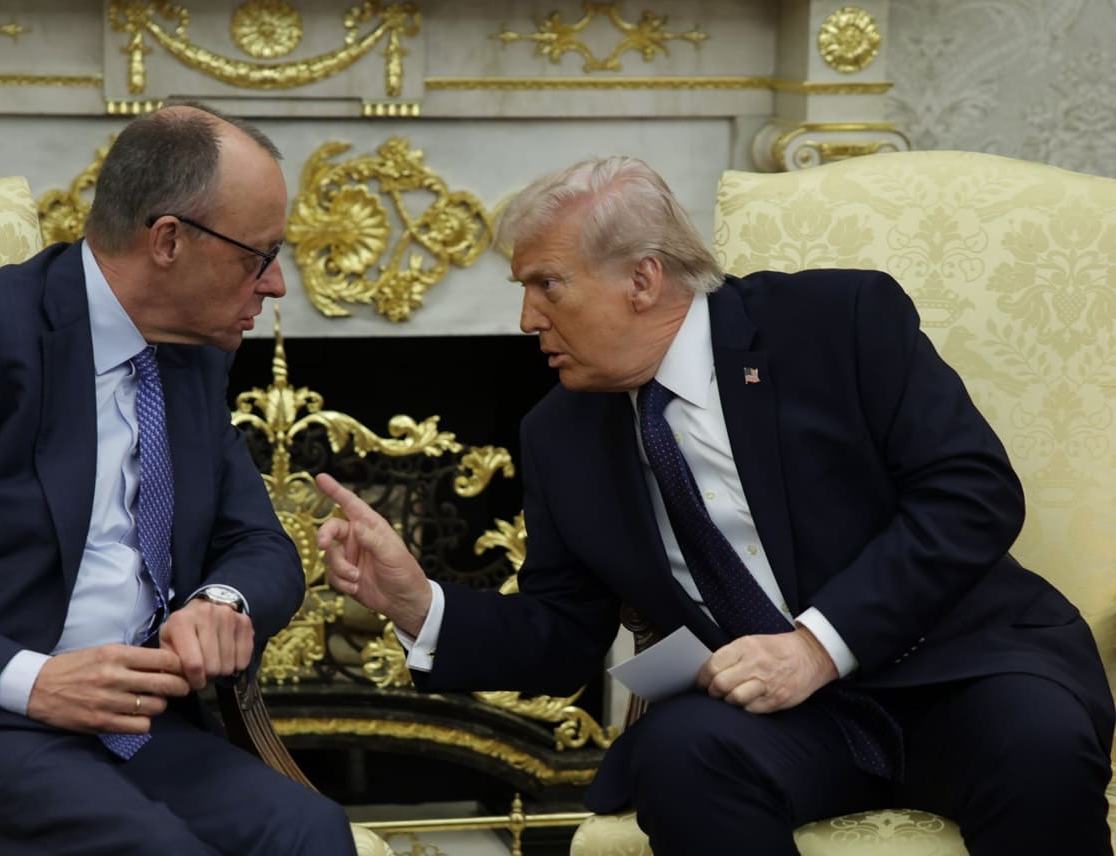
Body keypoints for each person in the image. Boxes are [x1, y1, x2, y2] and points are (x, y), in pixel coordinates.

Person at [315, 155, 1115, 855]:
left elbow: (970, 495)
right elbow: (563, 632)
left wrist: (816, 646)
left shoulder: (834, 322)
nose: (527, 319)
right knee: (680, 756)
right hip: (782, 722)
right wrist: (418, 604)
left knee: (1036, 747)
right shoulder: (560, 431)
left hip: (959, 668)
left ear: (642, 279)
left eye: (546, 285)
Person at [0, 104, 356, 854]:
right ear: (168, 240)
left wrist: (221, 602)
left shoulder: (193, 356)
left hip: (133, 725)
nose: (276, 285)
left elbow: (261, 545)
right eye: (259, 255)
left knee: (310, 830)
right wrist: (33, 681)